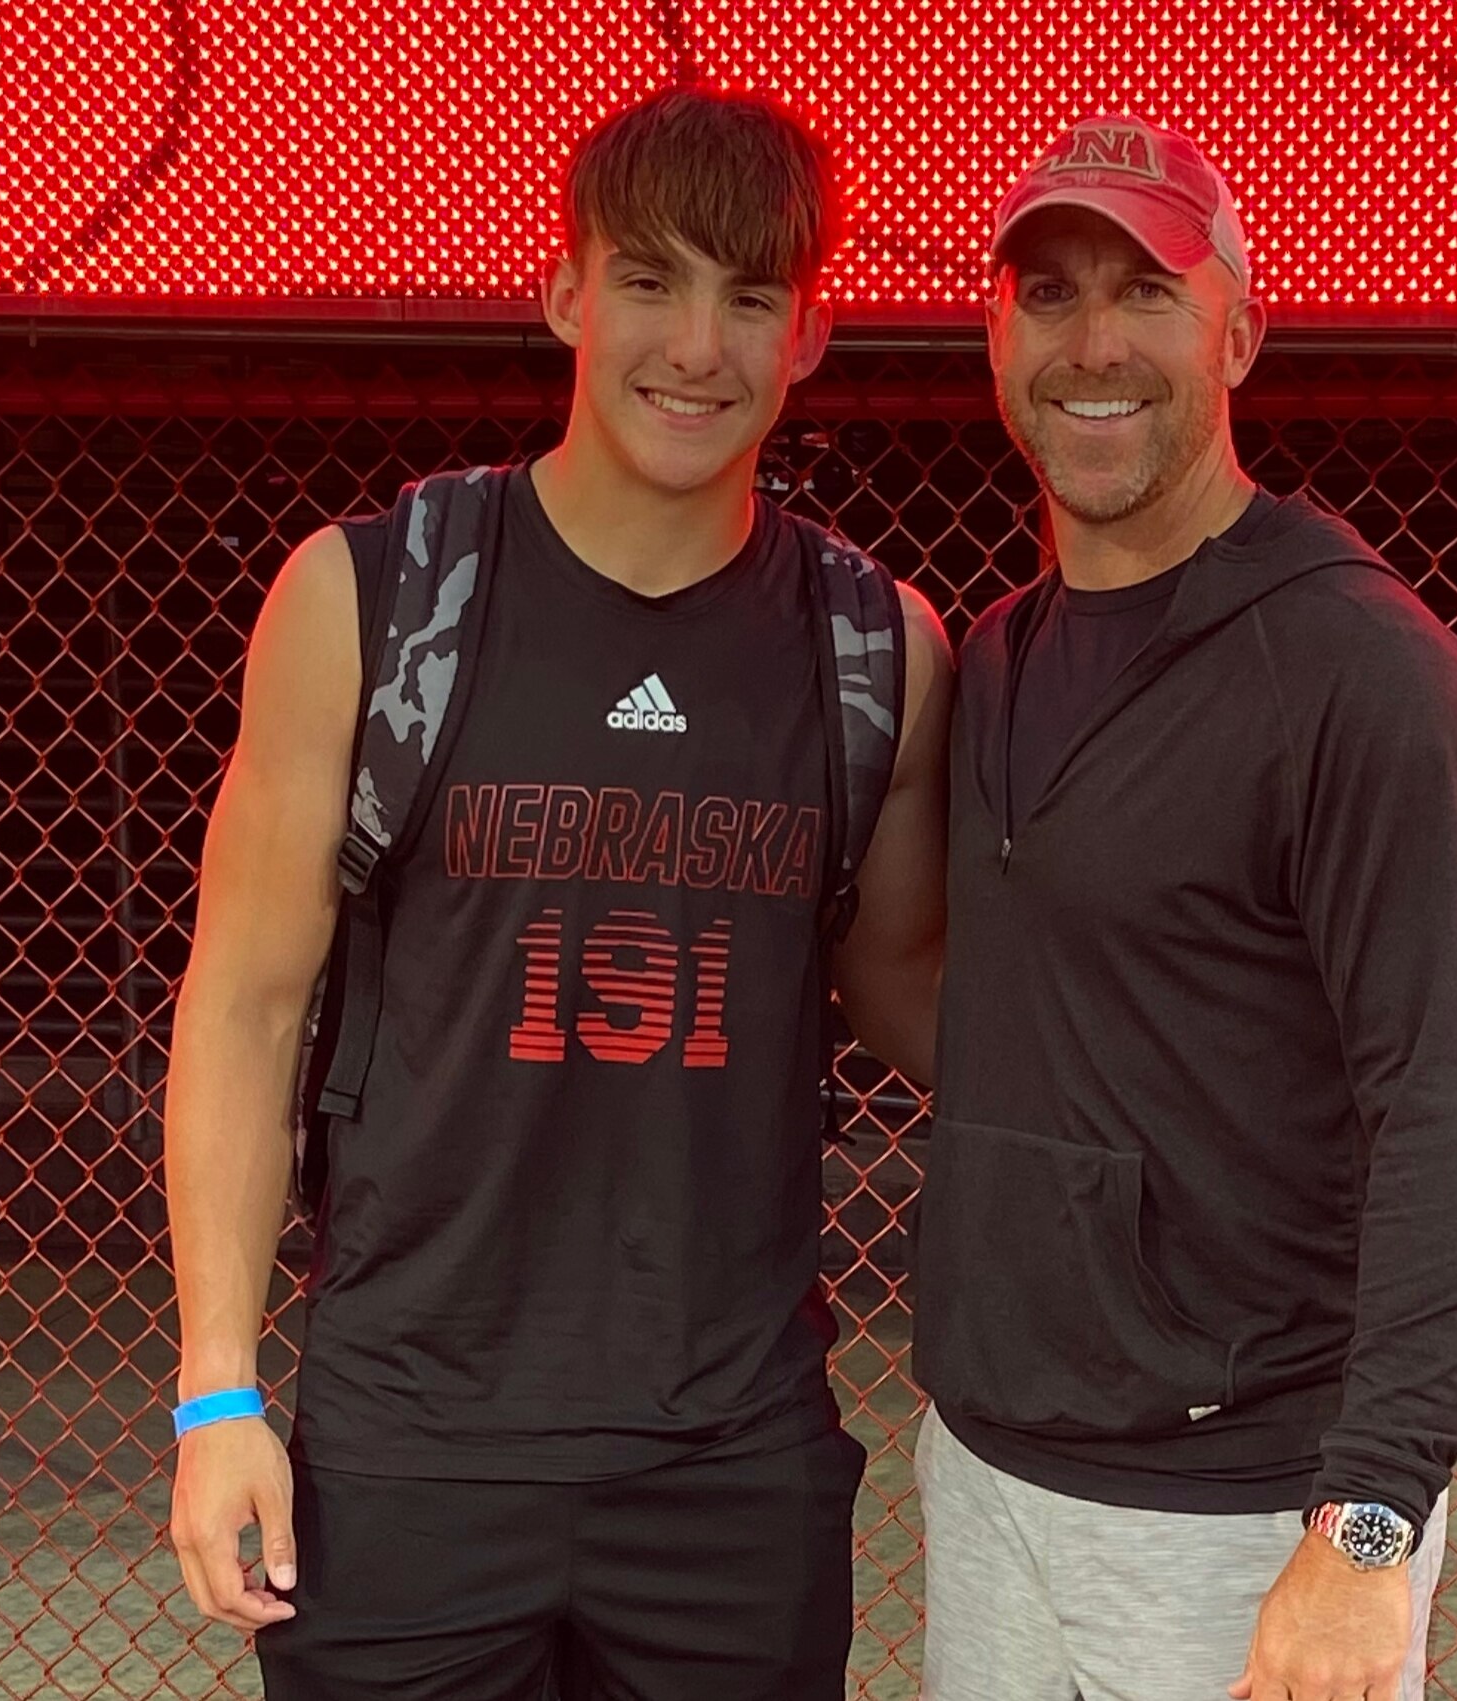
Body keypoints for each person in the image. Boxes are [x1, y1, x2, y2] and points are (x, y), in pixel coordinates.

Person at [158, 85, 951, 1701]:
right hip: (412, 1450)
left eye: (751, 296)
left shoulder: (877, 651)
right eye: (653, 279)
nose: (699, 346)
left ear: (809, 332)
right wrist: (218, 1390)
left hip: (728, 1464)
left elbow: (917, 1001)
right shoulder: (375, 598)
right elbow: (241, 1006)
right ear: (569, 295)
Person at [913, 115, 1457, 1701]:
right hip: (987, 1469)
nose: (1094, 342)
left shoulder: (1362, 673)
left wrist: (1370, 1525)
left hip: (1243, 1517)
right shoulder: (993, 654)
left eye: (1147, 290)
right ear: (995, 338)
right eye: (1048, 295)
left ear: (1240, 334)